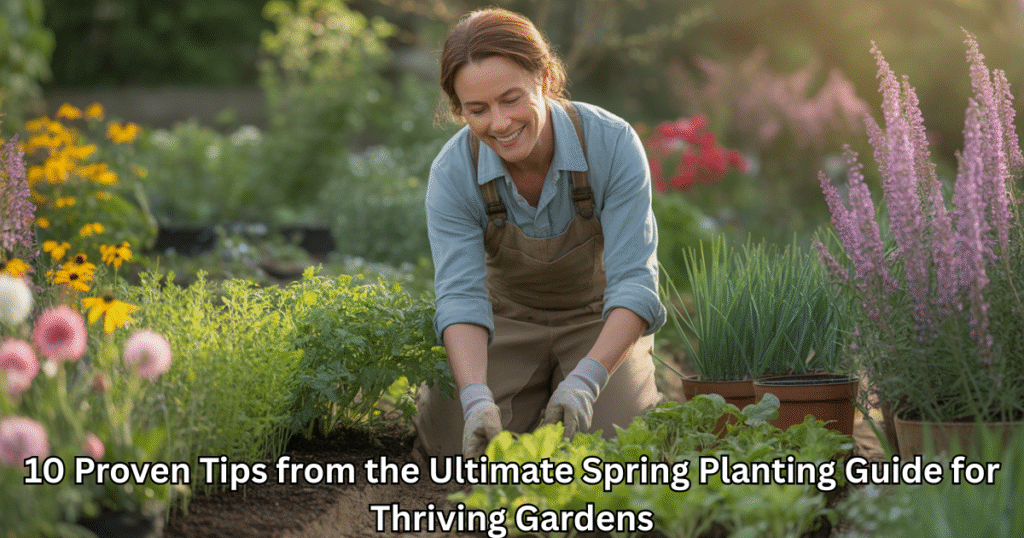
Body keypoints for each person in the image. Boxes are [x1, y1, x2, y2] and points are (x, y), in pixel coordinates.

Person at [413, 7, 665, 459]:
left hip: (595, 320)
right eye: (477, 110)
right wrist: (475, 398)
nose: (499, 123)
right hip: (504, 324)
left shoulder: (611, 145)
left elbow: (634, 284)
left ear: (544, 78)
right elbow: (461, 297)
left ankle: (575, 389)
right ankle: (521, 402)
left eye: (511, 99)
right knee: (452, 448)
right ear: (459, 109)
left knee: (616, 449)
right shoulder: (454, 173)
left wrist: (587, 381)